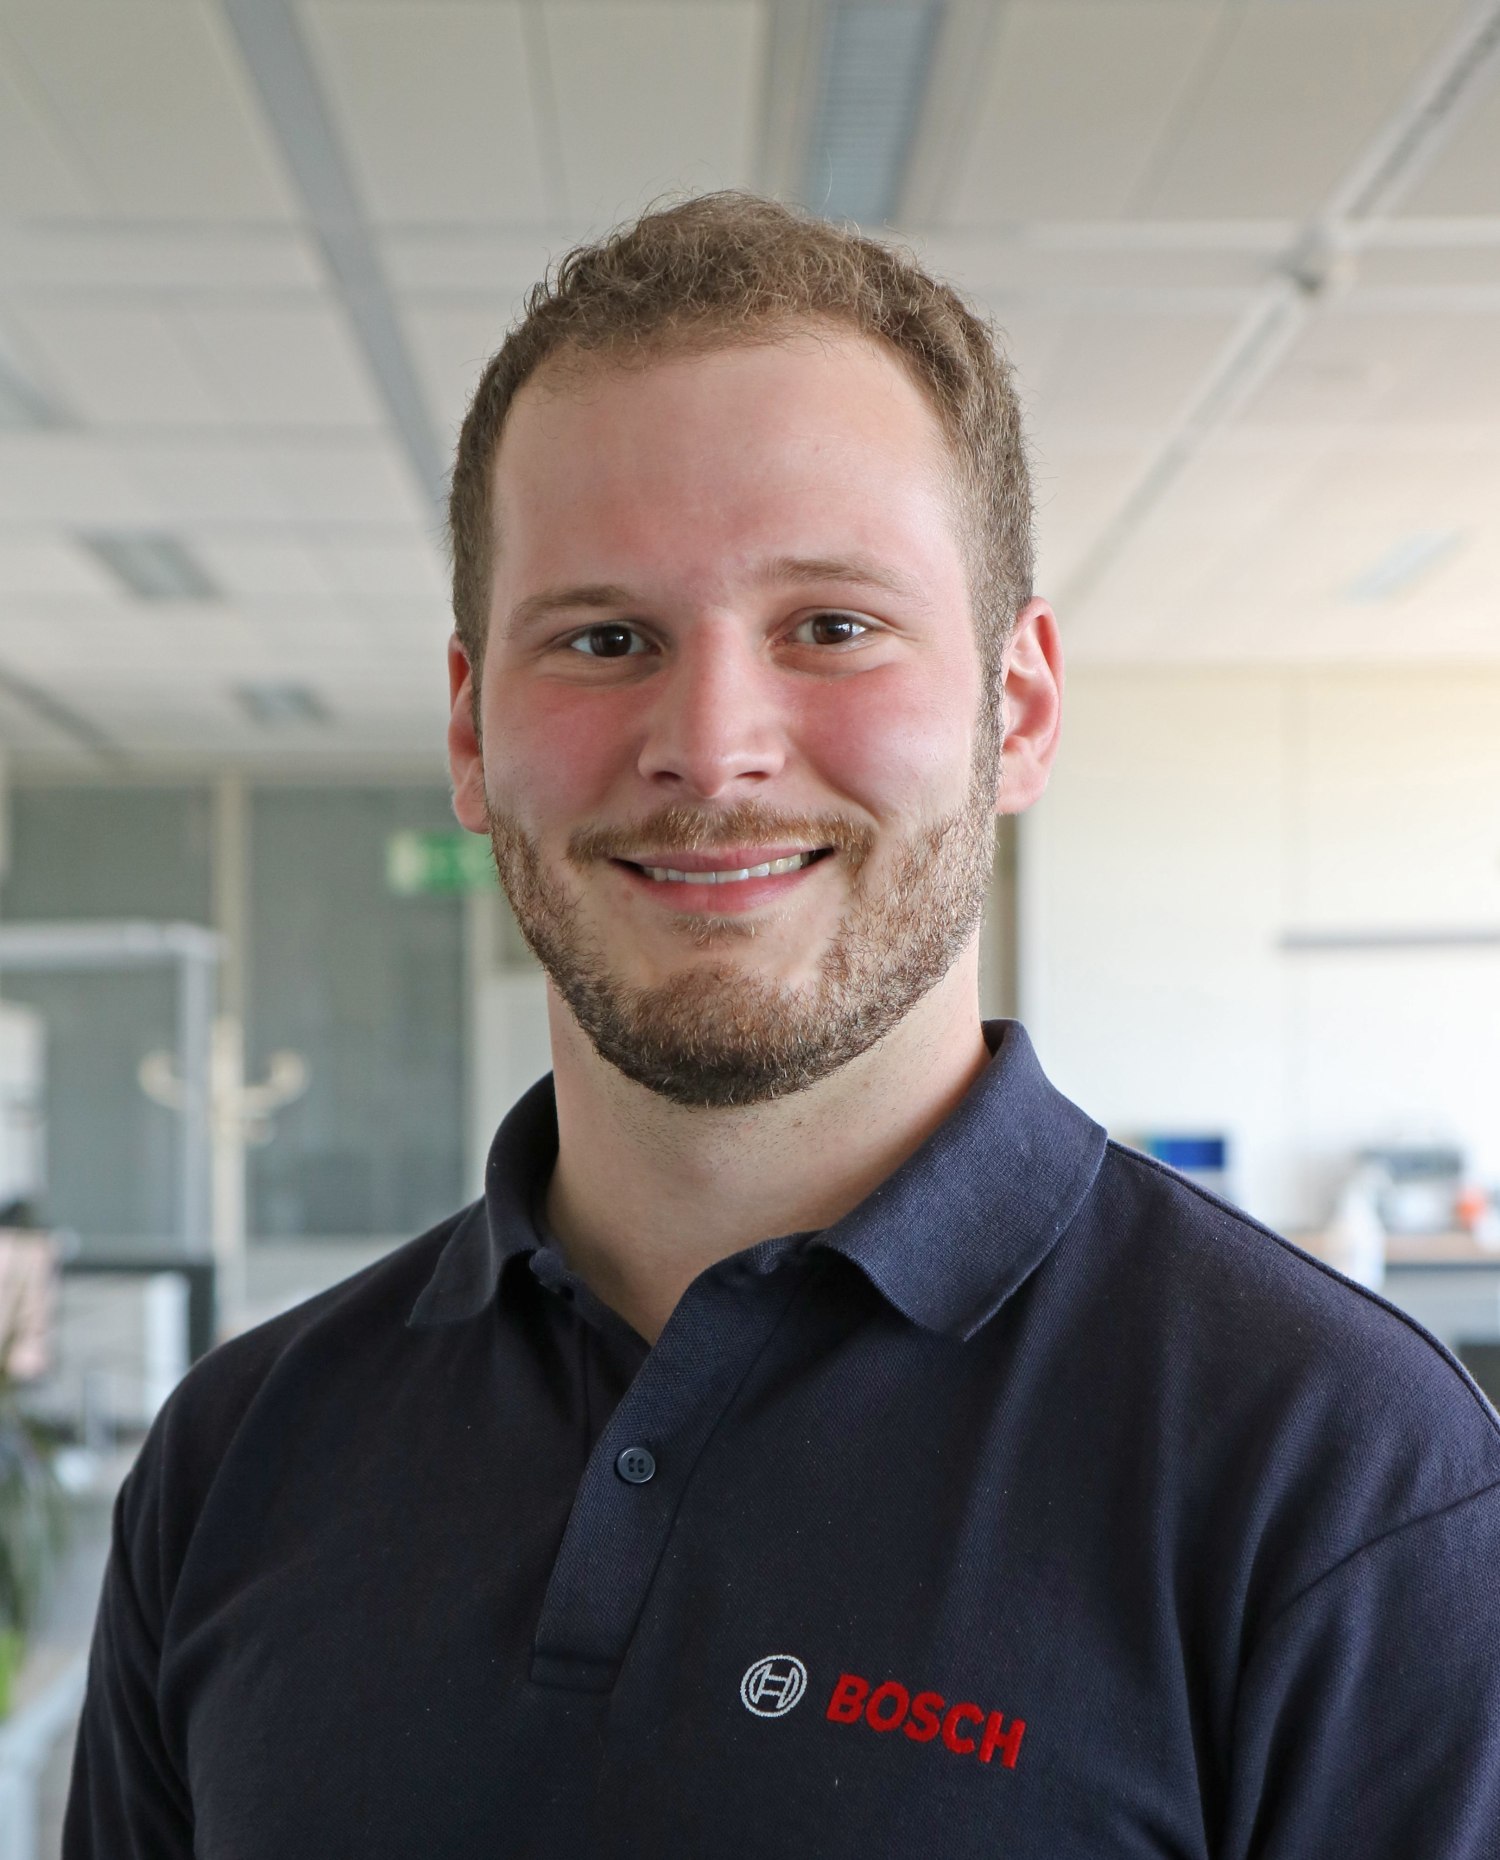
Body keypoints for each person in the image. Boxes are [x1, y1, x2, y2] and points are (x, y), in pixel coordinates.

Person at [66, 195, 1500, 1859]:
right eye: (605, 638)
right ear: (469, 734)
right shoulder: (238, 1458)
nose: (713, 743)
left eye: (832, 626)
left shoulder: (1346, 1474)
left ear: (1019, 708)